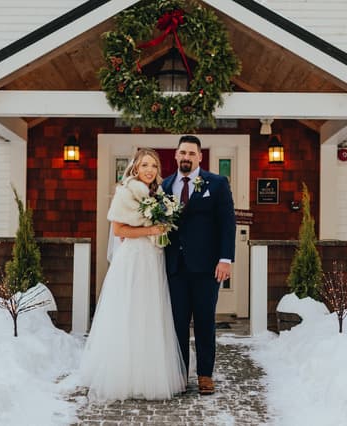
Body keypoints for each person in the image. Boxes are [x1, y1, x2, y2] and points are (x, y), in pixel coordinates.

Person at [78, 148, 186, 402]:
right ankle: (124, 375)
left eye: (154, 166)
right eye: (145, 165)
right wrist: (150, 230)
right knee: (130, 312)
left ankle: (148, 372)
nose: (150, 170)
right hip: (134, 259)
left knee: (149, 313)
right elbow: (118, 230)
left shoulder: (158, 194)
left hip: (153, 259)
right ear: (136, 168)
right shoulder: (127, 191)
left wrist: (161, 229)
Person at [162, 135, 236, 395]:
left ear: (200, 157)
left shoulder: (216, 184)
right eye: (183, 152)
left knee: (205, 321)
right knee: (177, 323)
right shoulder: (165, 185)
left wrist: (225, 259)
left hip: (207, 268)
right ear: (176, 155)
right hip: (174, 267)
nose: (186, 157)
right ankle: (180, 374)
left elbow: (228, 224)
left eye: (191, 153)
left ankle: (205, 375)